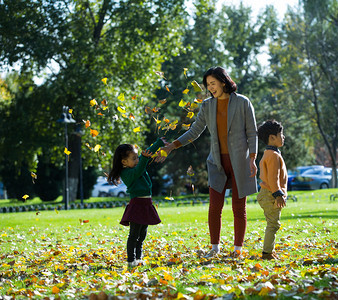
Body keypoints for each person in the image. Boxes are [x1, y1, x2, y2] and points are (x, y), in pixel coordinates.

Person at [156, 67, 258, 258]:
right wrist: (171, 146)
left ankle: (237, 249)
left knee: (238, 207)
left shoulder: (243, 102)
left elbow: (252, 133)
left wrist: (252, 159)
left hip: (240, 161)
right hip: (217, 162)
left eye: (213, 83)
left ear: (223, 81)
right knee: (215, 207)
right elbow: (194, 132)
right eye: (208, 85)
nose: (210, 88)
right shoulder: (207, 106)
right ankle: (215, 248)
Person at [108, 138, 166, 268]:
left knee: (142, 234)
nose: (137, 160)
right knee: (134, 235)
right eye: (134, 158)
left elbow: (146, 153)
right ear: (124, 161)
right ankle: (131, 260)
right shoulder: (127, 173)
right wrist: (144, 159)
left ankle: (139, 258)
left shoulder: (136, 164)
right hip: (137, 205)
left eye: (137, 157)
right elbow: (138, 170)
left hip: (146, 204)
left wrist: (159, 143)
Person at [256, 120, 287, 260]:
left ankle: (269, 251)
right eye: (281, 134)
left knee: (273, 223)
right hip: (270, 194)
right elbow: (273, 178)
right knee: (273, 224)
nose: (283, 137)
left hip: (267, 193)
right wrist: (278, 194)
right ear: (272, 137)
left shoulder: (269, 153)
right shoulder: (273, 156)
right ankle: (267, 253)